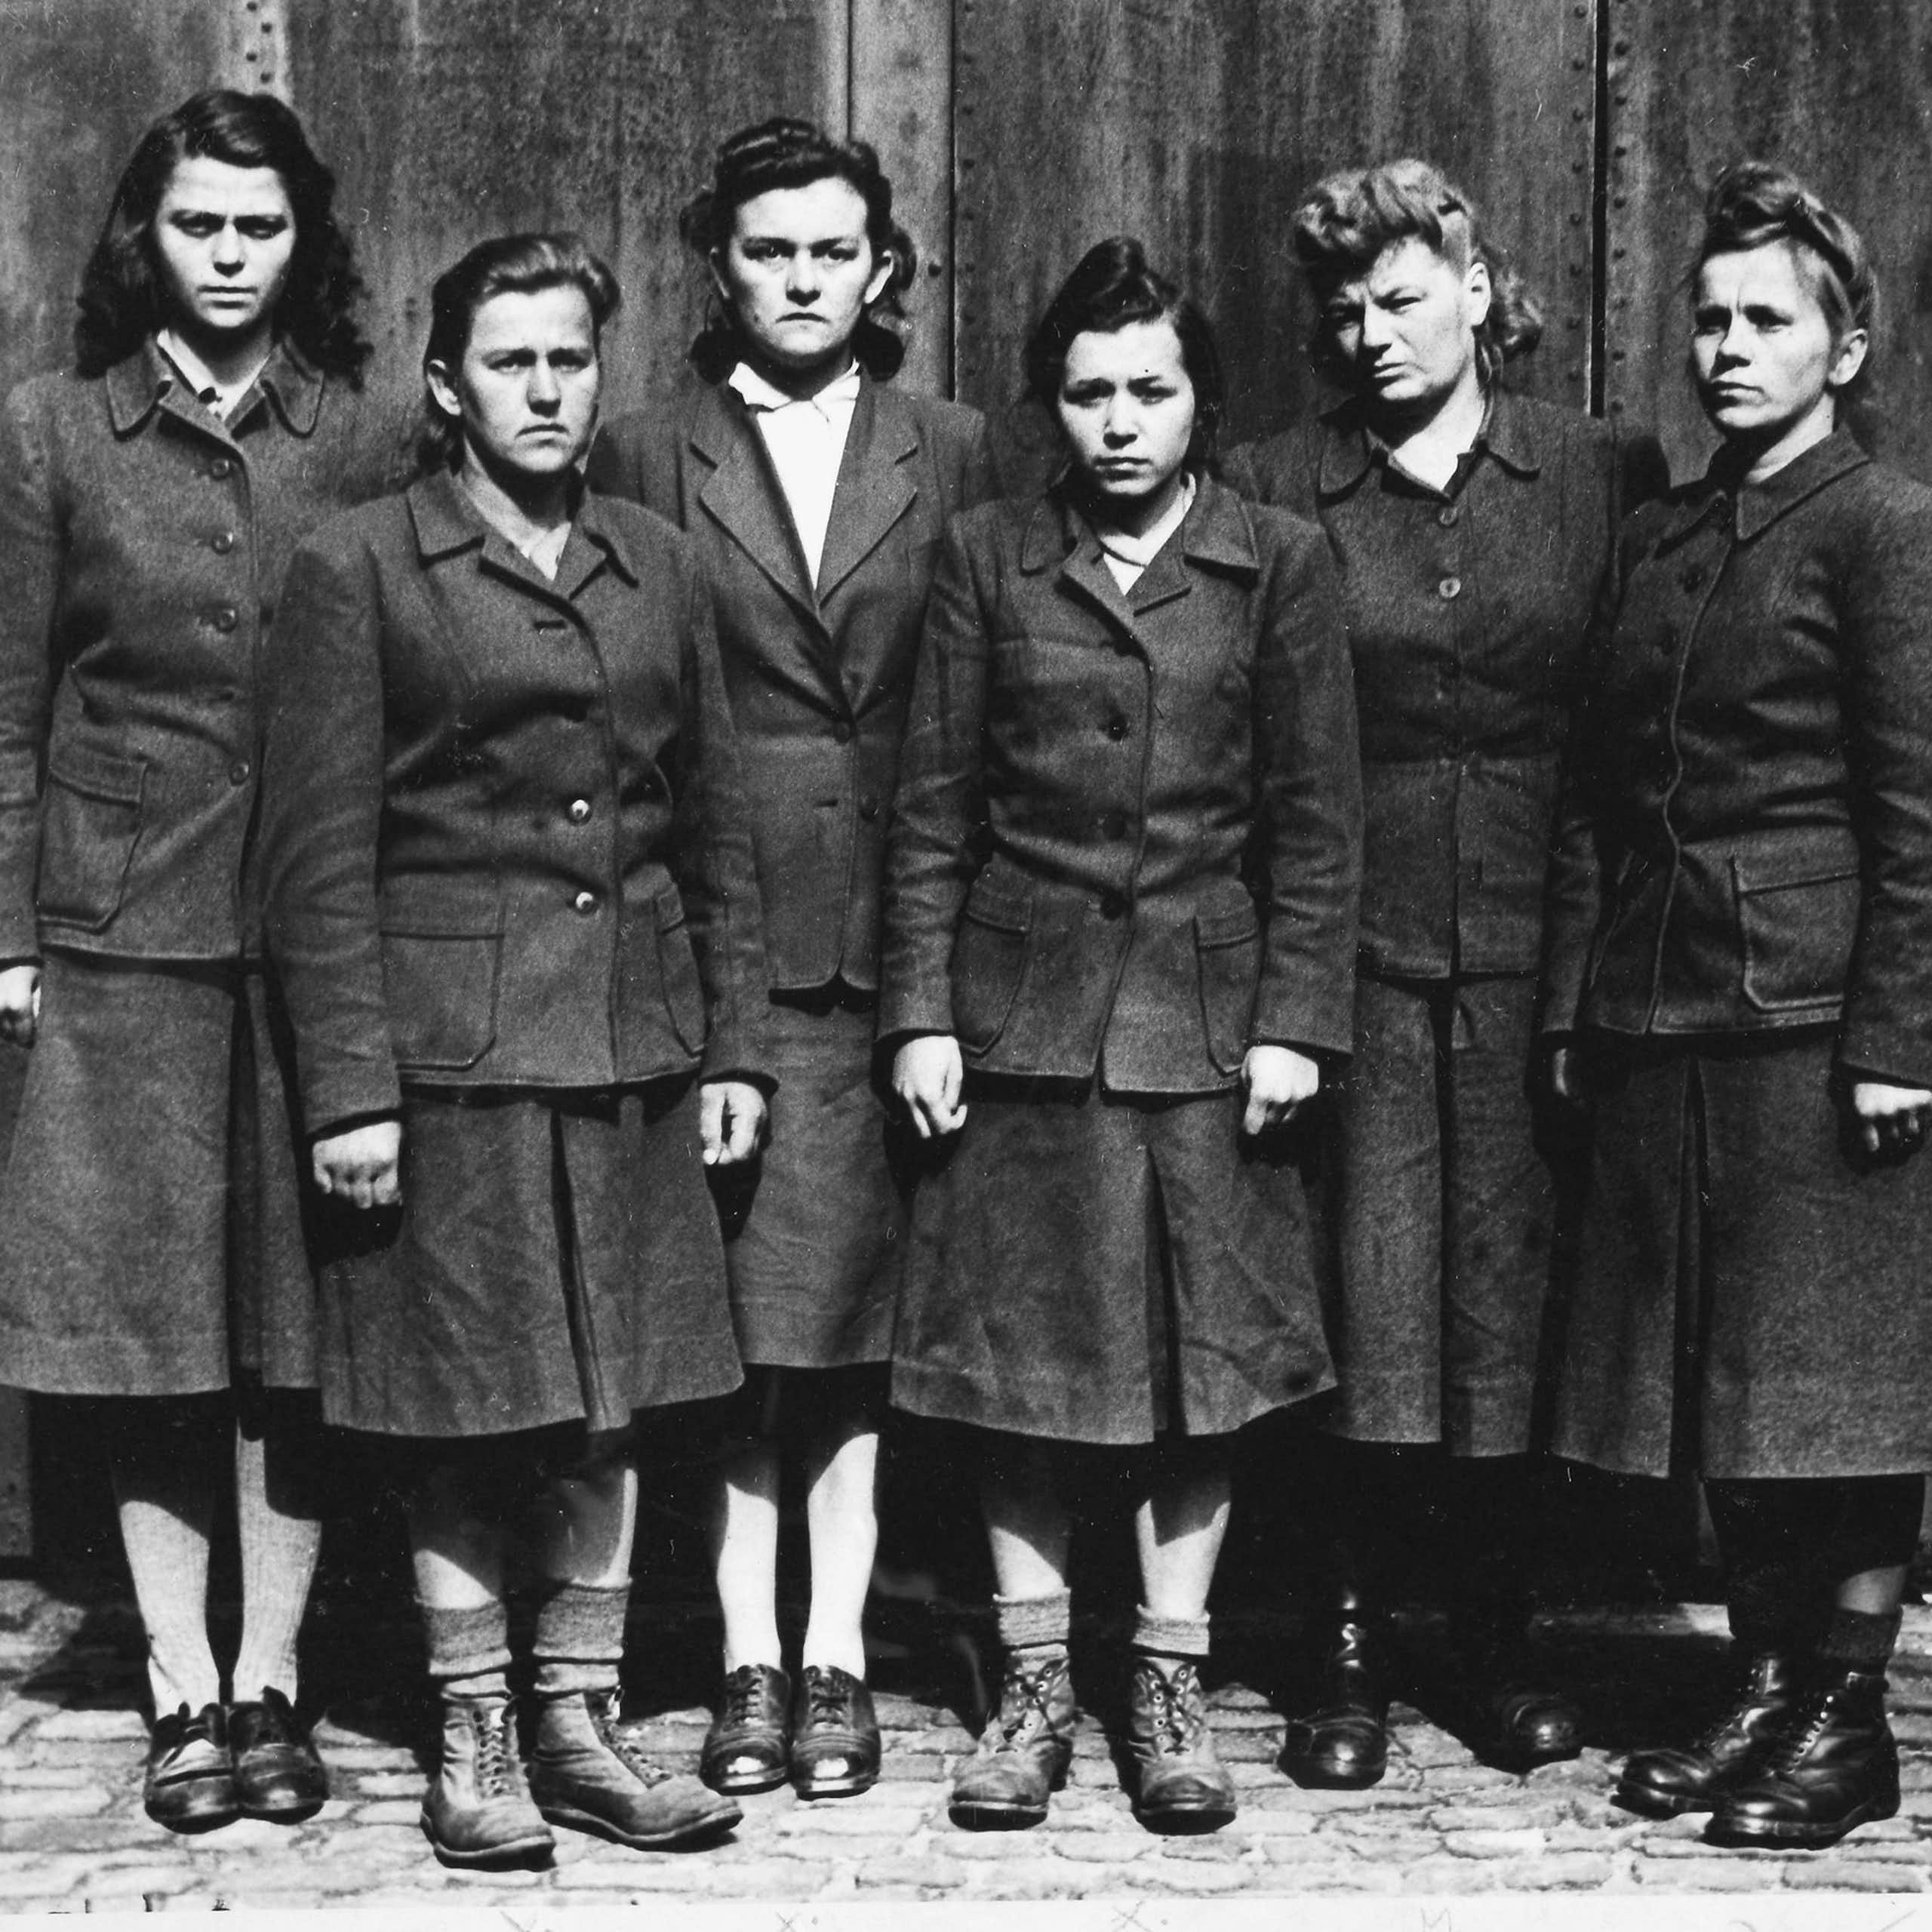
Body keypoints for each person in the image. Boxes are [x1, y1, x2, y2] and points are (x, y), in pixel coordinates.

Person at [257, 232, 771, 1867]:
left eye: (569, 358)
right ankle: (472, 1730)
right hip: (452, 1059)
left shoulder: (657, 560)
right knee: (461, 1405)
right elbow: (316, 858)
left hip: (629, 1044)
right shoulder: (361, 564)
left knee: (611, 1399)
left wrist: (735, 1049)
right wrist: (351, 1089)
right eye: (510, 362)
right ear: (445, 385)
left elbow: (717, 826)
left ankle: (579, 1718)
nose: (546, 389)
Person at [880, 237, 1361, 1832]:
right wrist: (920, 1014)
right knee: (1018, 1364)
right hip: (1023, 1024)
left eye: (1150, 390)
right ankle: (1029, 1686)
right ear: (1054, 407)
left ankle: (1166, 1679)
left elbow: (1317, 822)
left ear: (1199, 400)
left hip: (1205, 1027)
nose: (1119, 422)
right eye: (1089, 393)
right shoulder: (987, 557)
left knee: (1199, 1368)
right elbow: (932, 811)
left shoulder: (1278, 561)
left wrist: (1296, 1021)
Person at [1224, 159, 1667, 1782]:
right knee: (1360, 1296)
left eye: (1403, 297)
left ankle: (1490, 1630)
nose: (1373, 332)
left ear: (1477, 293)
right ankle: (1341, 1641)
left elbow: (1625, 736)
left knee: (1510, 1304)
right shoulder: (1279, 482)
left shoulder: (1597, 471)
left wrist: (1585, 980)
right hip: (1351, 951)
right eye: (1346, 308)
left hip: (1542, 956)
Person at [0, 88, 401, 1832]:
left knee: (292, 1327)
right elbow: (7, 700)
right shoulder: (52, 431)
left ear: (303, 243)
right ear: (144, 238)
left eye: (261, 226)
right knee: (150, 1327)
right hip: (122, 935)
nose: (230, 256)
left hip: (313, 938)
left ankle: (272, 1679)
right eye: (197, 225)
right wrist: (9, 933)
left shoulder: (365, 435)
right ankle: (179, 1686)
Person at [588, 117, 991, 1801]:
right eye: (769, 252)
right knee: (743, 1332)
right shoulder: (642, 450)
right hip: (722, 937)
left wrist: (939, 976)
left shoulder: (951, 446)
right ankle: (746, 1656)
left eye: (834, 252)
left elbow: (980, 700)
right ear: (718, 268)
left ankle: (840, 1656)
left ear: (880, 268)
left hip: (901, 941)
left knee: (855, 1327)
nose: (803, 281)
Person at [1544, 162, 1932, 1848]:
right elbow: (1599, 793)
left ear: (1844, 349)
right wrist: (1583, 999)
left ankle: (1846, 1716)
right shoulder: (1667, 534)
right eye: (1707, 320)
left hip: (1814, 1021)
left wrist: (1900, 1037)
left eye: (1767, 320)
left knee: (1838, 1383)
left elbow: (1918, 807)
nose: (1726, 348)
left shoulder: (1883, 526)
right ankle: (1766, 1685)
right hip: (1665, 1007)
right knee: (1732, 1380)